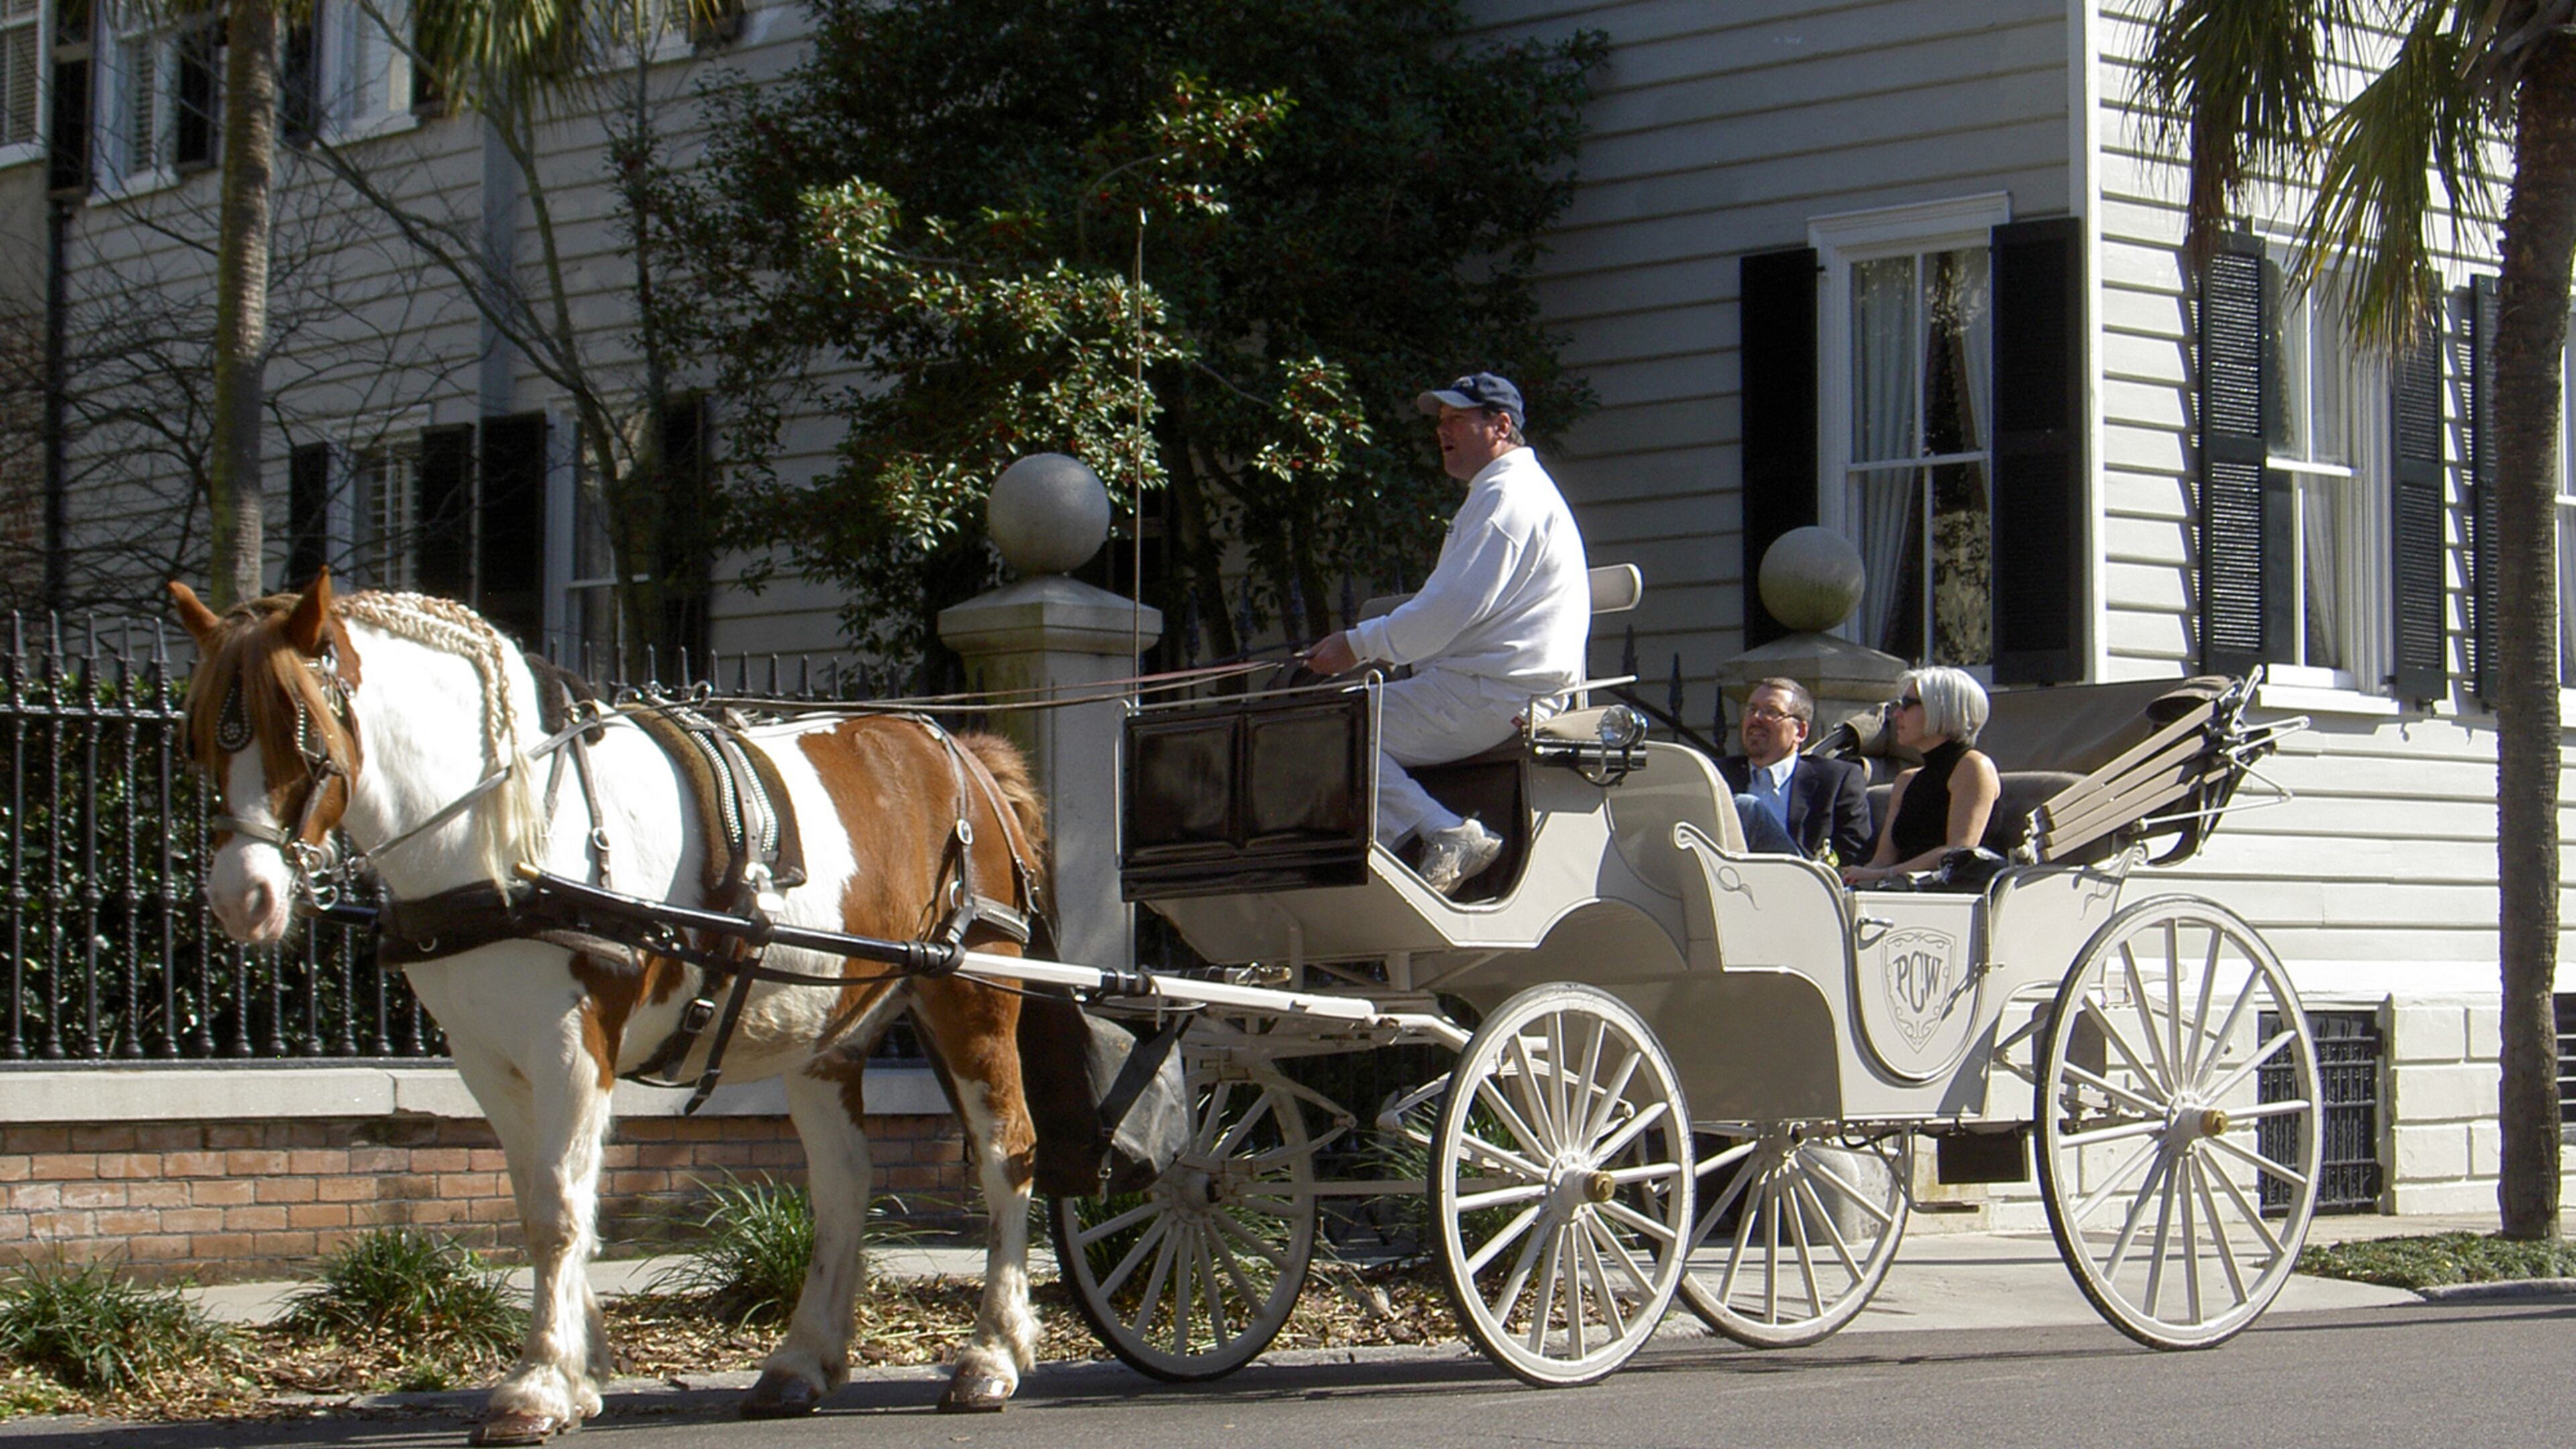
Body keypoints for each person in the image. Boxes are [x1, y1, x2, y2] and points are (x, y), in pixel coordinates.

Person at [1305, 372, 1590, 895]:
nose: (1443, 430)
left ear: (1501, 426)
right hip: (1487, 688)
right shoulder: (1505, 493)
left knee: (1329, 728)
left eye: (1458, 418)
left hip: (1488, 693)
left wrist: (1357, 644)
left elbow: (1448, 610)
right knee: (1338, 721)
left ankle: (1444, 834)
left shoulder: (1507, 497)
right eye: (1441, 421)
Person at [1841, 666, 2001, 888]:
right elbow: (1881, 860)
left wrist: (1885, 874)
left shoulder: (1972, 766)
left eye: (1907, 705)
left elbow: (1958, 854)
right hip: (1902, 891)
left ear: (1943, 710)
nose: (1896, 715)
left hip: (1949, 898)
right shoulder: (1906, 780)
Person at [1717, 677, 1874, 862]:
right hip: (1728, 883)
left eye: (1771, 711)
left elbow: (1853, 854)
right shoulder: (1717, 775)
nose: (1756, 718)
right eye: (1752, 709)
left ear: (1800, 731)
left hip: (1799, 884)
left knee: (1746, 807)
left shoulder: (1836, 779)